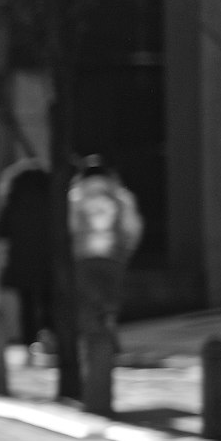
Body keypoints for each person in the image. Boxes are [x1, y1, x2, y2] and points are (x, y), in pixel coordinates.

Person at [68, 155, 143, 402]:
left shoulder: (76, 196)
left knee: (88, 303)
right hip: (113, 257)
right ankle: (108, 337)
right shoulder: (120, 195)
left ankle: (92, 345)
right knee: (110, 302)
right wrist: (126, 251)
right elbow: (133, 227)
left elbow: (69, 226)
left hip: (83, 257)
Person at [0, 157, 53, 361]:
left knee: (27, 305)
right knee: (49, 300)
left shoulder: (14, 198)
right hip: (48, 260)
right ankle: (51, 338)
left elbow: (0, 230)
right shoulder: (52, 199)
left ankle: (30, 344)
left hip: (22, 261)